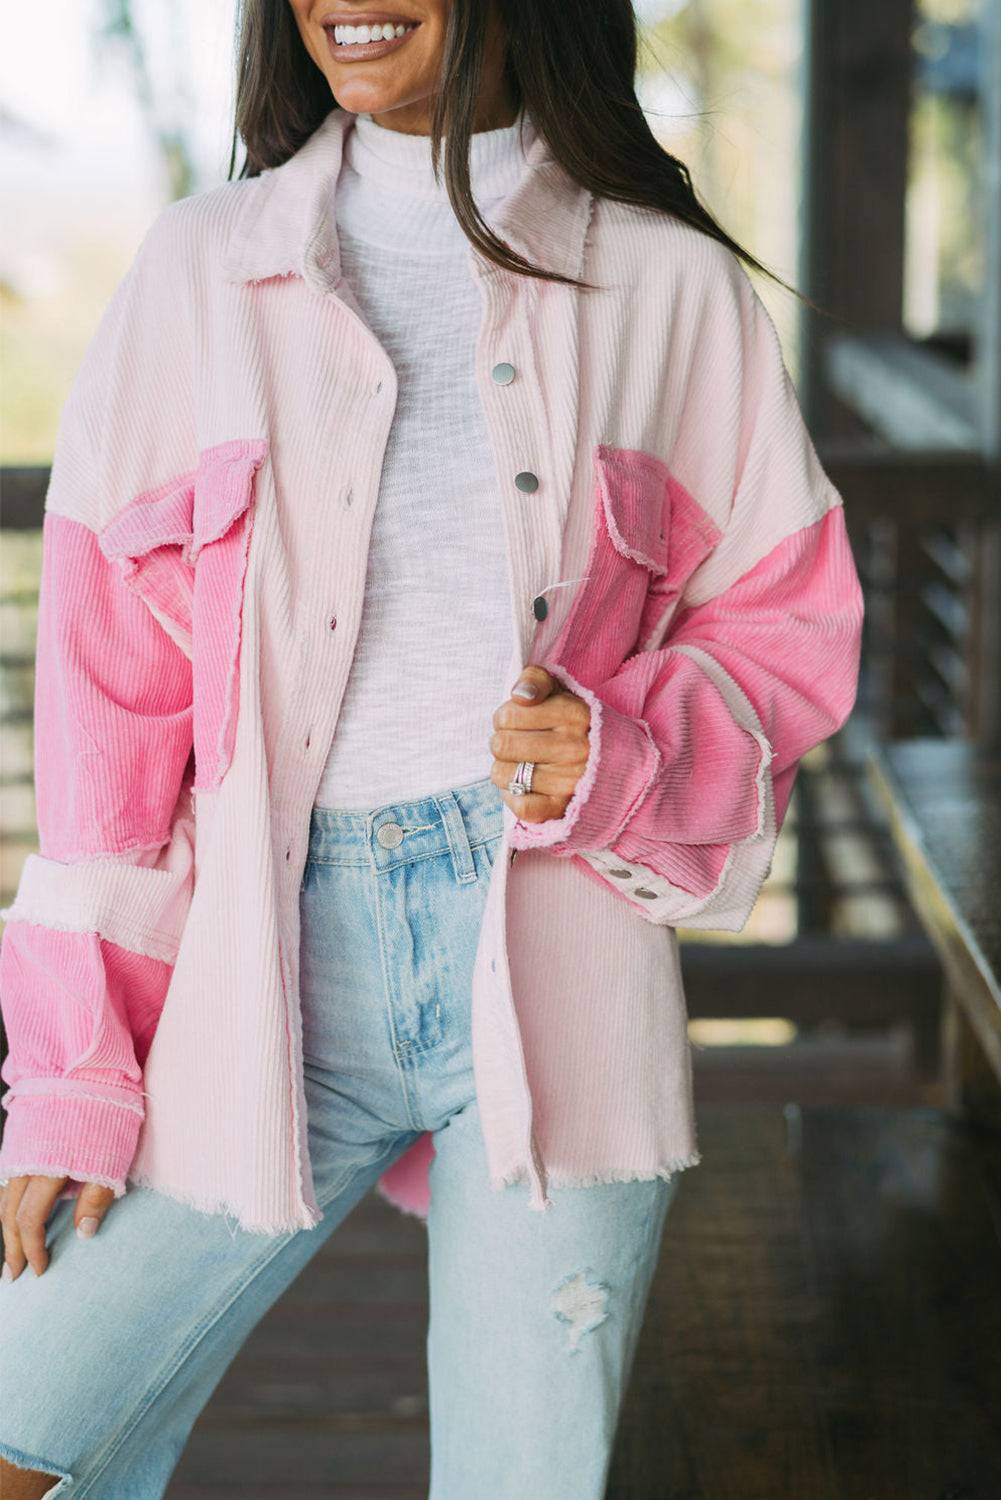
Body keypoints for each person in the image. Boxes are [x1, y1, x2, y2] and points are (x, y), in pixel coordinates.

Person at [0, 1, 865, 1495]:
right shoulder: (200, 274)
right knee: (26, 1423)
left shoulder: (667, 285)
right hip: (258, 966)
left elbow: (783, 632)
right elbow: (109, 704)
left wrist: (617, 750)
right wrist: (75, 1070)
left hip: (555, 966)